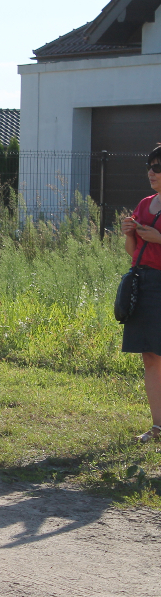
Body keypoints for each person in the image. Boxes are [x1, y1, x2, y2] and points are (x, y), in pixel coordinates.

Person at [121, 145, 161, 444]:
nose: (151, 171)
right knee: (150, 355)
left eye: (158, 167)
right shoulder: (145, 203)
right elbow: (133, 253)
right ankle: (158, 426)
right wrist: (128, 234)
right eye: (150, 165)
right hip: (145, 282)